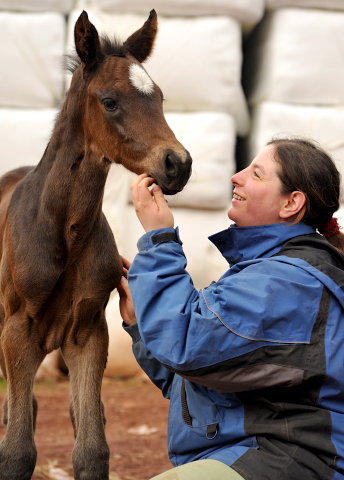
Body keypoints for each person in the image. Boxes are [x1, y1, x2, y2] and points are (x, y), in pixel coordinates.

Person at [117, 137, 344, 480]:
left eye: (257, 173)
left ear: (291, 203)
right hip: (260, 452)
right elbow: (200, 380)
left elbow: (188, 347)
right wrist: (139, 326)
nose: (236, 177)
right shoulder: (271, 272)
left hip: (295, 459)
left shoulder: (289, 283)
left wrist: (160, 238)